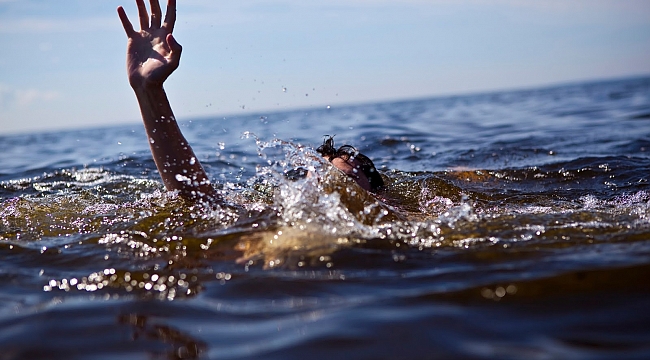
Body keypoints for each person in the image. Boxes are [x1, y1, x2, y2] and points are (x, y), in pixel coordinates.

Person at [117, 0, 383, 203]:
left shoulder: (397, 226)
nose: (329, 188)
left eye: (345, 180)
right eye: (321, 180)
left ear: (379, 197)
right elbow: (199, 201)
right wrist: (148, 90)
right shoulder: (277, 221)